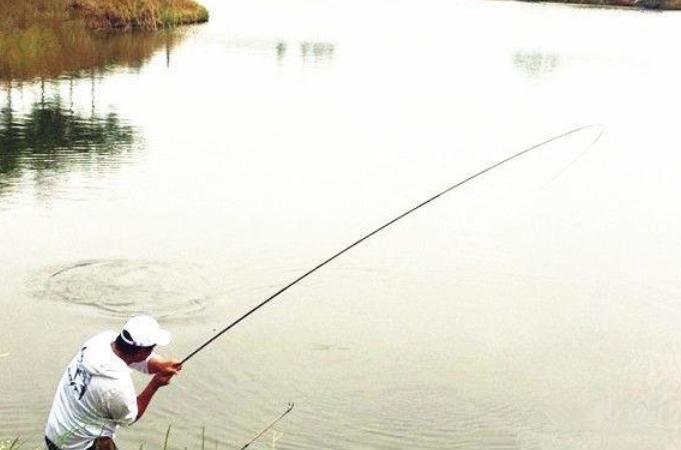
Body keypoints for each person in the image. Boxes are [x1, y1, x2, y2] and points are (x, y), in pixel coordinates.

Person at [45, 315, 183, 450]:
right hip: (77, 446)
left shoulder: (102, 341)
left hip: (54, 432)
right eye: (152, 348)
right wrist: (154, 385)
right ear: (141, 351)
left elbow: (137, 359)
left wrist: (162, 365)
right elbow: (130, 417)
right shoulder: (117, 387)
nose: (152, 352)